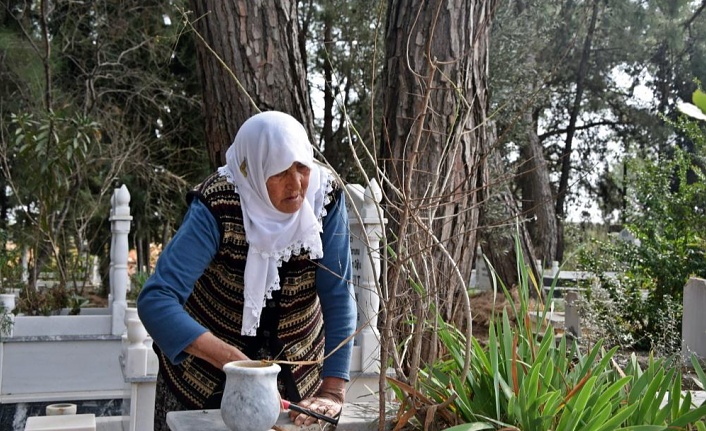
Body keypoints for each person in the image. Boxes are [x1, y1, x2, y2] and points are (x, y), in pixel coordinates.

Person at [137, 111, 357, 430]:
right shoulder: (219, 203)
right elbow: (156, 299)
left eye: (302, 167)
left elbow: (339, 295)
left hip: (296, 383)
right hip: (202, 381)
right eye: (279, 172)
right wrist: (231, 361)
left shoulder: (325, 198)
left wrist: (333, 390)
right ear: (254, 169)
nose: (296, 185)